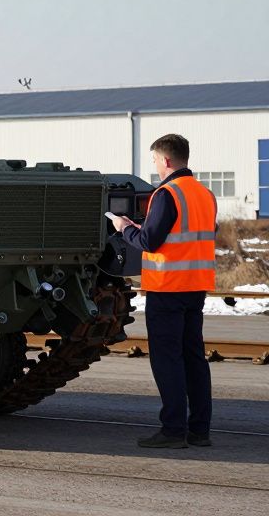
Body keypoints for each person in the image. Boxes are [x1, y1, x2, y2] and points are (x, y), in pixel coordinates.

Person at [112, 133, 216, 449]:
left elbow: (149, 242)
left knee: (167, 359)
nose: (155, 166)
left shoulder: (167, 194)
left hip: (168, 287)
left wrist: (125, 228)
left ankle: (172, 431)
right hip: (195, 286)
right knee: (194, 357)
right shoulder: (204, 194)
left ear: (166, 160)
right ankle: (199, 430)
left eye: (155, 160)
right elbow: (199, 234)